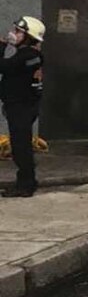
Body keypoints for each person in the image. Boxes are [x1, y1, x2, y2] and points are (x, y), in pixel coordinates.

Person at [0, 17, 45, 198]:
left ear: (28, 37)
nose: (14, 34)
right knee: (19, 145)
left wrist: (1, 48)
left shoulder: (31, 56)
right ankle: (25, 181)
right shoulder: (25, 55)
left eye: (19, 32)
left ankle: (26, 185)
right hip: (17, 106)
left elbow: (6, 67)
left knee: (21, 147)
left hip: (23, 107)